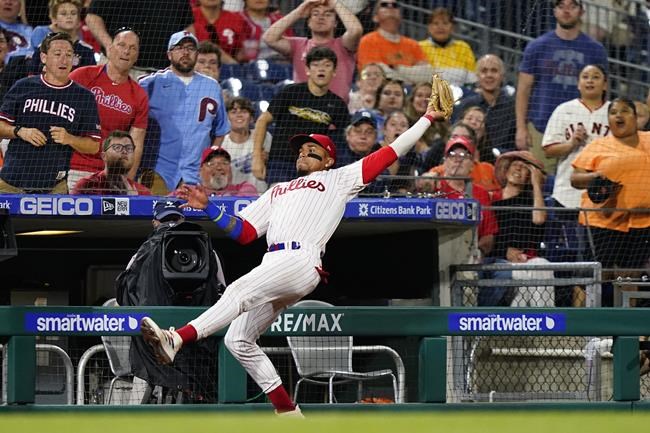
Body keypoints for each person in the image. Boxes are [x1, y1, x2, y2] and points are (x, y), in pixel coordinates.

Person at [137, 90, 445, 417]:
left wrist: (427, 118)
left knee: (238, 290)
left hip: (301, 260)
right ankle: (288, 412)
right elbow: (245, 233)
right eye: (301, 149)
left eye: (313, 150)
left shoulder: (338, 179)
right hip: (275, 262)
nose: (304, 153)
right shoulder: (278, 190)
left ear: (328, 159)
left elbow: (391, 151)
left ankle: (178, 338)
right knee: (238, 340)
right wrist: (210, 209)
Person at [116, 199, 226, 404]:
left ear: (183, 219)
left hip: (193, 339)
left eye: (175, 219)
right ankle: (131, 423)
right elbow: (124, 293)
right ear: (155, 223)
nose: (171, 224)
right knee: (145, 372)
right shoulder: (143, 252)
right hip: (153, 341)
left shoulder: (206, 251)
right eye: (166, 220)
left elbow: (221, 294)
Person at [0, 32, 100, 194]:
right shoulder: (23, 86)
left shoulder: (84, 97)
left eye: (69, 55)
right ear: (44, 58)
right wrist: (20, 131)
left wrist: (70, 138)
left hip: (54, 187)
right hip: (11, 182)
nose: (64, 59)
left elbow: (94, 145)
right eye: (57, 54)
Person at [515, 0, 608, 174]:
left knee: (576, 187)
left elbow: (603, 92)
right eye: (561, 6)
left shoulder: (595, 50)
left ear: (581, 11)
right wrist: (521, 128)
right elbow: (523, 90)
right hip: (540, 129)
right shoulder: (537, 46)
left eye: (572, 6)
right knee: (538, 183)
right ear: (554, 11)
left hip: (582, 133)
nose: (566, 11)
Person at [571, 98, 650, 295]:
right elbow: (575, 179)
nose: (618, 115)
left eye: (625, 111)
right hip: (603, 221)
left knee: (629, 275)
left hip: (641, 222)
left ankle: (627, 323)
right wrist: (595, 177)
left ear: (635, 117)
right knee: (594, 275)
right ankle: (581, 321)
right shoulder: (597, 146)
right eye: (613, 112)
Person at [138, 31, 230, 195]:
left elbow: (220, 130)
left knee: (196, 219)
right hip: (157, 170)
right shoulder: (149, 85)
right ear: (169, 53)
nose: (185, 52)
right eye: (179, 47)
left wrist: (208, 160)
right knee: (155, 217)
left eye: (190, 48)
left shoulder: (212, 87)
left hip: (196, 175)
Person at [251, 46, 349, 186]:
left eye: (327, 65)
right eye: (316, 65)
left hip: (314, 167)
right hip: (281, 163)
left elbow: (341, 140)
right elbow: (262, 121)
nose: (321, 69)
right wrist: (256, 158)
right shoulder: (291, 92)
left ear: (334, 72)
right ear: (307, 70)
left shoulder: (338, 105)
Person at [68, 27, 148, 190]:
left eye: (133, 48)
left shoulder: (139, 95)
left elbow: (136, 144)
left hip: (111, 174)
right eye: (122, 45)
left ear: (137, 55)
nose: (126, 51)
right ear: (110, 48)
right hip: (74, 168)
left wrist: (126, 182)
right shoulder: (81, 76)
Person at [480, 150, 553, 307]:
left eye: (524, 167)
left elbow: (539, 220)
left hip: (528, 258)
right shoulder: (491, 198)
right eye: (515, 165)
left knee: (542, 265)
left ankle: (546, 322)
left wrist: (536, 185)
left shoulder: (532, 202)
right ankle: (518, 326)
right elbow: (486, 235)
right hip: (498, 256)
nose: (518, 169)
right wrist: (505, 251)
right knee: (517, 273)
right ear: (506, 172)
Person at [263, 0, 362, 103]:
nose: (321, 17)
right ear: (308, 22)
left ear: (335, 23)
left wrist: (335, 3)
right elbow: (269, 38)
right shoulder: (298, 45)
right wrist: (299, 12)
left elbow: (356, 30)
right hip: (303, 112)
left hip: (336, 112)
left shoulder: (343, 45)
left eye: (328, 14)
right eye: (315, 14)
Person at [542, 64, 610, 212]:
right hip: (566, 193)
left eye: (596, 77)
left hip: (604, 193)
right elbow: (548, 151)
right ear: (578, 84)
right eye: (585, 77)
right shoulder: (563, 110)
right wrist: (571, 144)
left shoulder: (613, 112)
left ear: (605, 85)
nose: (590, 81)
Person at [415, 135, 497, 257]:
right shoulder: (433, 187)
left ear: (472, 165)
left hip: (470, 256)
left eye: (464, 156)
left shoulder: (481, 193)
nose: (458, 160)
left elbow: (488, 236)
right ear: (445, 162)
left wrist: (477, 254)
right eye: (452, 155)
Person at [85, 0, 194, 71]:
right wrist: (109, 46)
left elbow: (187, 28)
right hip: (116, 67)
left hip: (162, 72)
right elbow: (92, 17)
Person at [453, 54, 516, 160]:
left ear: (502, 76)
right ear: (477, 76)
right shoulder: (465, 105)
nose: (489, 75)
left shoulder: (513, 107)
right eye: (484, 71)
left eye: (494, 71)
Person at [357, 0, 429, 85]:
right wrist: (411, 77)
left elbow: (426, 75)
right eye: (384, 5)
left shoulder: (413, 44)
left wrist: (396, 68)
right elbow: (374, 76)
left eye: (395, 5)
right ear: (375, 17)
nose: (390, 7)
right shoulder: (367, 41)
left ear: (401, 16)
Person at [72, 130, 151, 195]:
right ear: (104, 156)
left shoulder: (144, 193)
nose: (124, 151)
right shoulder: (86, 186)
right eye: (117, 147)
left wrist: (134, 201)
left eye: (129, 148)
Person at [220, 97, 271, 193]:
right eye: (233, 112)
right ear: (227, 118)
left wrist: (267, 159)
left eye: (243, 111)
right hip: (231, 196)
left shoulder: (264, 136)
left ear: (251, 118)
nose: (239, 115)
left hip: (261, 194)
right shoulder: (221, 143)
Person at [418, 7, 477, 87]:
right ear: (429, 28)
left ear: (452, 28)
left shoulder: (463, 47)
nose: (440, 27)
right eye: (436, 23)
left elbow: (472, 79)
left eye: (445, 23)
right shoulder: (419, 47)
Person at [172, 146, 257, 197]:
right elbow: (164, 203)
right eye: (211, 163)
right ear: (200, 170)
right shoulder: (189, 192)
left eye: (224, 163)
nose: (219, 167)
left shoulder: (244, 189)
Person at [337, 109, 388, 194]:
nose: (363, 136)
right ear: (348, 135)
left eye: (369, 132)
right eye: (358, 131)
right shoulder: (336, 161)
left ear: (375, 138)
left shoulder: (380, 162)